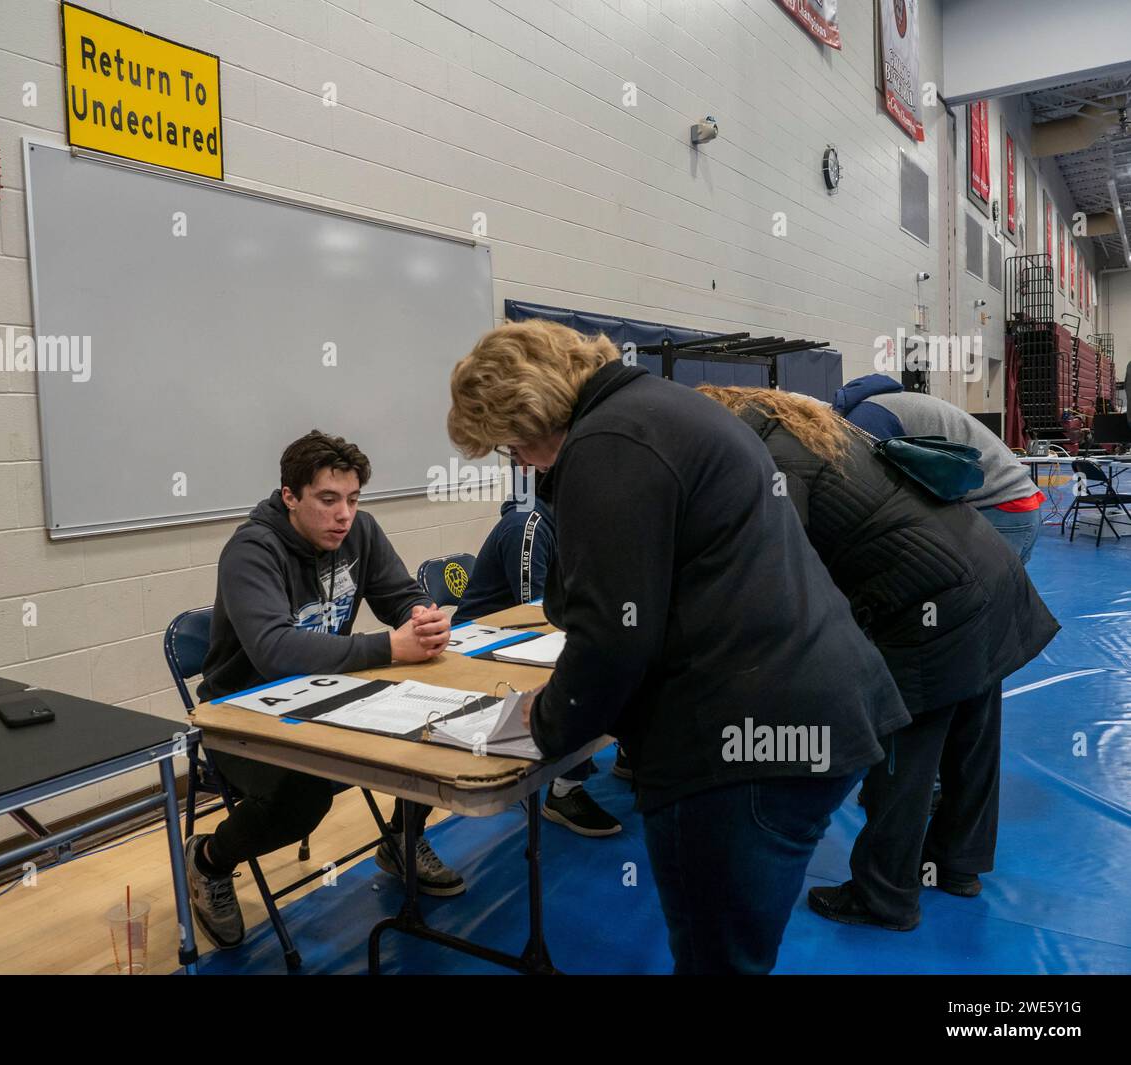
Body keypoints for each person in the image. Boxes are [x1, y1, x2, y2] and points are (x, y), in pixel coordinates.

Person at [447, 320, 911, 974]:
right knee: (734, 955)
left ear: (525, 412)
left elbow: (613, 635)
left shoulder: (608, 441)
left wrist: (545, 718)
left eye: (509, 443)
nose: (519, 461)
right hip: (815, 709)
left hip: (741, 744)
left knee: (715, 961)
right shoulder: (662, 408)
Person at [698, 386, 1058, 931]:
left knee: (901, 754)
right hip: (988, 571)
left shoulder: (773, 459)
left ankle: (884, 895)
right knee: (972, 736)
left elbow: (784, 569)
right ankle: (956, 867)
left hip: (933, 603)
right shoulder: (816, 433)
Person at [188, 431, 464, 950]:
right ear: (290, 496)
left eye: (353, 500)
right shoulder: (251, 550)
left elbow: (400, 592)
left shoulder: (359, 532)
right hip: (243, 715)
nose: (344, 515)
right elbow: (273, 650)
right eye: (328, 500)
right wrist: (388, 647)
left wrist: (421, 616)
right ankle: (209, 860)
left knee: (437, 728)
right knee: (303, 796)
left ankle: (402, 837)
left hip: (328, 693)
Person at [454, 476, 621, 837]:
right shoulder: (525, 526)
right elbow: (533, 611)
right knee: (581, 672)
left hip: (519, 643)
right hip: (478, 651)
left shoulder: (570, 522)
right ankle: (563, 791)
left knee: (601, 658)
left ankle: (593, 768)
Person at [833, 375, 1046, 563]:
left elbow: (872, 494)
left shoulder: (860, 421)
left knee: (970, 597)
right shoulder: (882, 404)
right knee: (999, 599)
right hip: (1018, 502)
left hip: (1000, 508)